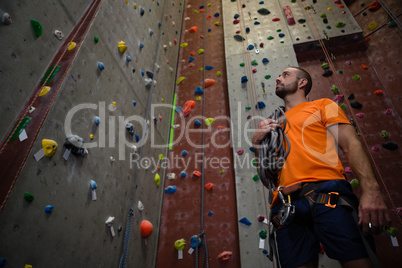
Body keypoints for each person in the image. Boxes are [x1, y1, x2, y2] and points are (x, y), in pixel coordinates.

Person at [252, 66, 391, 268]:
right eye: (279, 74)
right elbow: (269, 174)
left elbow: (351, 144)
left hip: (327, 195)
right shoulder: (273, 125)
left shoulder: (323, 105)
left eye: (285, 74)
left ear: (302, 83)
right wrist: (257, 144)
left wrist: (371, 190)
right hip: (286, 206)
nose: (277, 78)